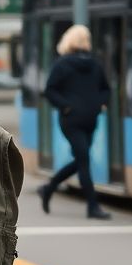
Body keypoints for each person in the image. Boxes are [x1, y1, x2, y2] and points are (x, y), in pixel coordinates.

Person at [38, 24, 112, 219]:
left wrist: (66, 107)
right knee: (84, 160)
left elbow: (50, 90)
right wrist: (100, 104)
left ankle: (49, 187)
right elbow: (106, 89)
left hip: (72, 120)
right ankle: (93, 206)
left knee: (81, 160)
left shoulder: (62, 65)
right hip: (86, 120)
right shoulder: (95, 64)